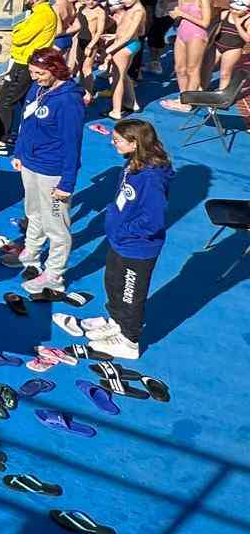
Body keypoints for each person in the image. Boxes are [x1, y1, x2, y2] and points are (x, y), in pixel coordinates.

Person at [83, 120, 173, 361]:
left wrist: (125, 229)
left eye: (117, 140)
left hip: (137, 247)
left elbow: (153, 221)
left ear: (134, 143)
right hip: (119, 241)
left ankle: (129, 340)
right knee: (112, 282)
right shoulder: (133, 164)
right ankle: (116, 322)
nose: (113, 144)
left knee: (130, 294)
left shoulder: (152, 179)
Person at [4, 48, 83, 296]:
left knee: (56, 226)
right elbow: (25, 123)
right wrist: (18, 153)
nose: (34, 76)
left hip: (53, 171)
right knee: (33, 211)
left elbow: (73, 144)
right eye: (31, 72)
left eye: (39, 73)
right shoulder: (36, 89)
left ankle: (54, 275)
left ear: (54, 69)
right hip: (30, 163)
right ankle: (31, 252)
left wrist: (67, 183)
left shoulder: (69, 101)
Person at [0, 0, 60, 146]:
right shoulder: (39, 12)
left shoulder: (41, 15)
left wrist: (16, 32)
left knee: (5, 100)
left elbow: (18, 37)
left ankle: (3, 138)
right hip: (27, 61)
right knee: (23, 98)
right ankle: (26, 129)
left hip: (24, 63)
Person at [162, 0, 215, 103]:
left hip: (197, 35)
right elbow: (179, 19)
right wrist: (175, 16)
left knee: (193, 69)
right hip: (181, 34)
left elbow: (205, 22)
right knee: (179, 68)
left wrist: (183, 14)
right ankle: (183, 96)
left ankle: (190, 101)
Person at [103, 0, 149, 120]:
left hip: (125, 46)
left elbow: (129, 35)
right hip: (128, 44)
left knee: (117, 78)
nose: (123, 0)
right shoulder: (134, 8)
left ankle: (116, 111)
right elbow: (140, 31)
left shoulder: (138, 11)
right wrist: (115, 35)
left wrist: (112, 47)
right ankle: (132, 103)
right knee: (124, 75)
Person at [211, 0, 250, 91]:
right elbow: (213, 26)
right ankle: (200, 88)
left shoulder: (247, 21)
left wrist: (238, 23)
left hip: (233, 49)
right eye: (232, 8)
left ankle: (221, 94)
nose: (234, 11)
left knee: (225, 73)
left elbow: (247, 39)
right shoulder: (225, 14)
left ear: (246, 11)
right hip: (218, 45)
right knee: (207, 67)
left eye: (237, 10)